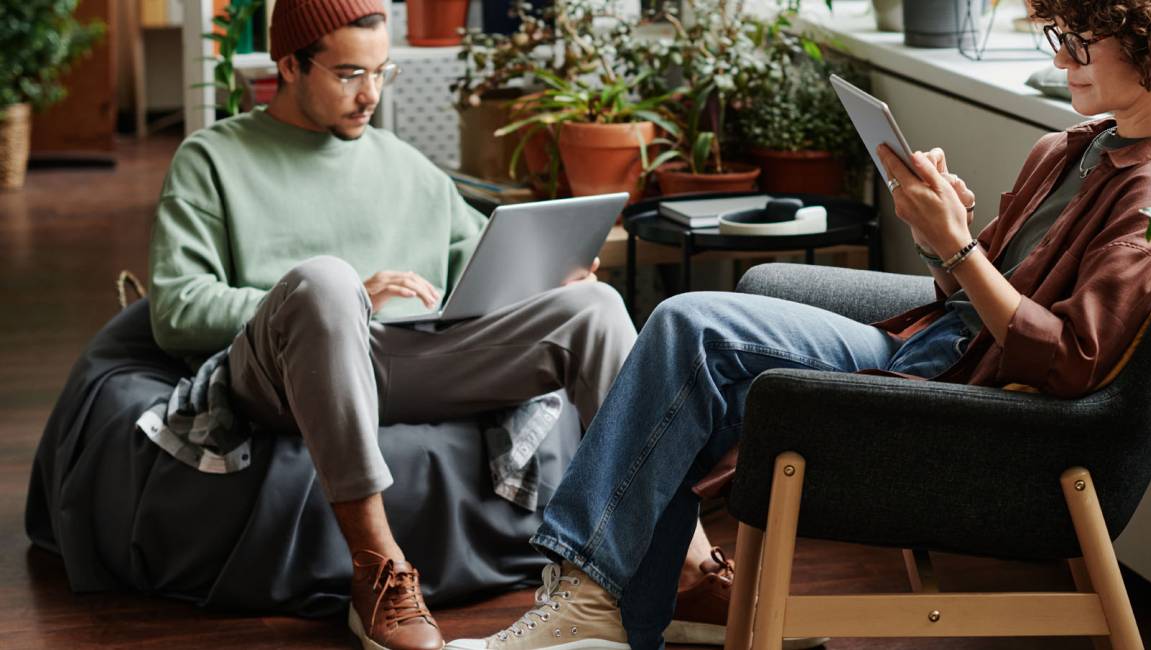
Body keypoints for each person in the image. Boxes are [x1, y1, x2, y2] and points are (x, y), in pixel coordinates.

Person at [458, 0, 1151, 648]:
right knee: (689, 361)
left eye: (1081, 37)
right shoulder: (1075, 148)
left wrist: (957, 244)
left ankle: (593, 604)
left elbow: (1070, 360)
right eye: (1057, 34)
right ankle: (619, 614)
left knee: (692, 330)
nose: (1065, 55)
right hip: (939, 348)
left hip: (973, 411)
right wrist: (952, 239)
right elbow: (976, 292)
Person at [145, 1, 726, 648]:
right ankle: (377, 568)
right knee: (327, 282)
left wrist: (551, 279)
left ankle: (688, 567)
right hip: (281, 367)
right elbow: (175, 310)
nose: (370, 94)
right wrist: (348, 296)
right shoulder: (211, 159)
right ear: (287, 65)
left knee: (593, 309)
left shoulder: (403, 164)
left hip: (409, 359)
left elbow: (487, 266)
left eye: (381, 72)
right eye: (347, 74)